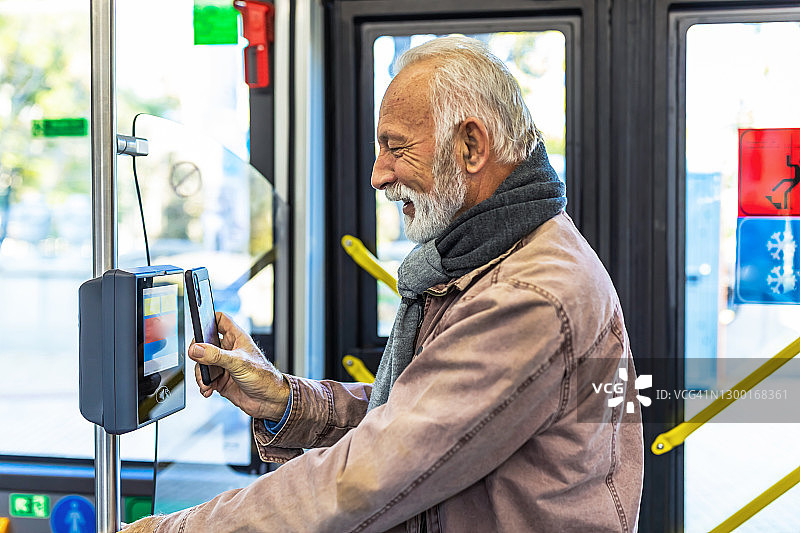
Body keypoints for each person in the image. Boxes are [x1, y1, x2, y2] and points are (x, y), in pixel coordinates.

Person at [123, 36, 643, 532]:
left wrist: (177, 529)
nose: (377, 175)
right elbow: (420, 418)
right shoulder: (494, 257)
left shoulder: (528, 295)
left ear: (471, 146)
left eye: (395, 148)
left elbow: (371, 475)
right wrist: (286, 402)